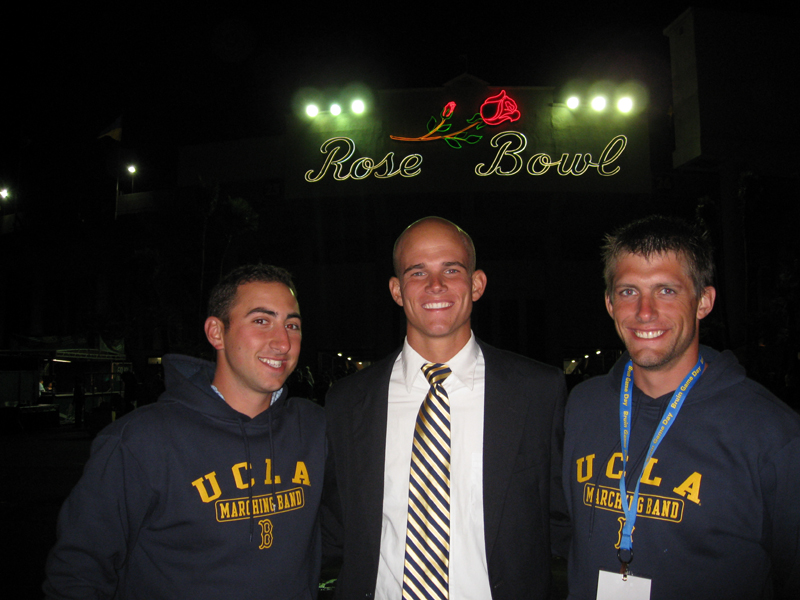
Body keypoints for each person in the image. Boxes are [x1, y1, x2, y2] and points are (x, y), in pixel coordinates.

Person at [44, 264, 327, 600]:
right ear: (216, 333)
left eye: (292, 325)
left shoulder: (314, 428)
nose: (282, 342)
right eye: (261, 321)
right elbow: (78, 573)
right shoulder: (139, 440)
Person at [324, 217, 568, 600]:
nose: (435, 285)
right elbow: (332, 527)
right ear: (397, 290)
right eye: (417, 271)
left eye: (451, 270)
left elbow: (562, 519)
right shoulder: (347, 402)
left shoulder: (539, 391)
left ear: (476, 284)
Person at [562, 215, 800, 599]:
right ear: (609, 303)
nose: (644, 311)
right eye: (628, 292)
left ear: (703, 301)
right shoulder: (582, 407)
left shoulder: (772, 432)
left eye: (666, 291)